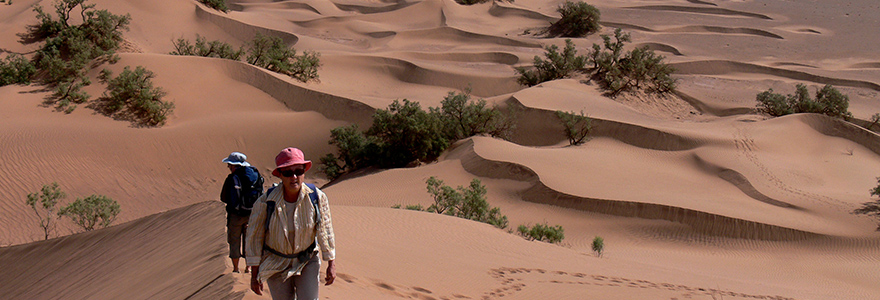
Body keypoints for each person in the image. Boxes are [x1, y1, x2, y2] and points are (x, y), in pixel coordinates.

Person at [245, 147, 337, 299]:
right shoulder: (265, 202)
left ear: (304, 172)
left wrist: (331, 263)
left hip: (307, 260)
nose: (294, 177)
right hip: (275, 263)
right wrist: (254, 275)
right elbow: (254, 237)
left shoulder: (317, 198)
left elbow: (325, 230)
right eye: (287, 172)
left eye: (298, 171)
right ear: (280, 175)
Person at [220, 151, 264, 274]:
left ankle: (235, 268)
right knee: (249, 240)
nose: (228, 167)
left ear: (234, 165)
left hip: (235, 215)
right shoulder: (255, 175)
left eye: (229, 165)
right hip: (252, 214)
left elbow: (223, 197)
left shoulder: (232, 178)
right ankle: (248, 268)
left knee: (234, 240)